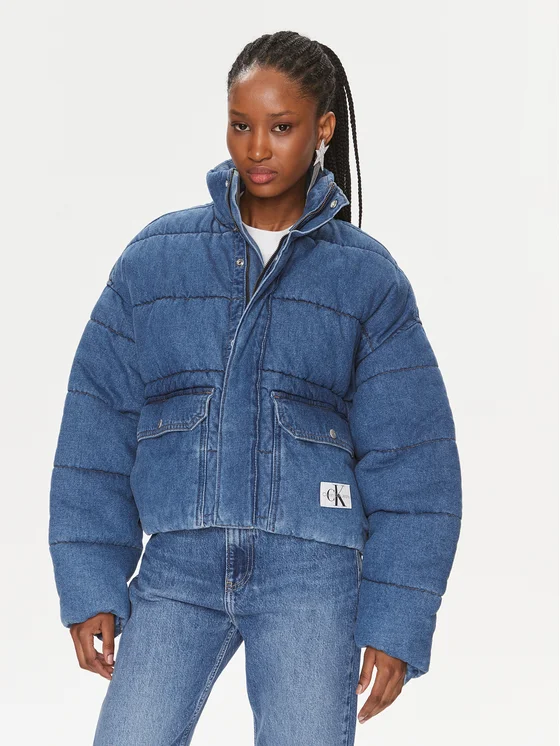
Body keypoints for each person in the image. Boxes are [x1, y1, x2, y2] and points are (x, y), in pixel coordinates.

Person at [49, 30, 462, 746]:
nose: (257, 148)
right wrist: (90, 581)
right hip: (178, 567)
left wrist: (397, 621)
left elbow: (414, 463)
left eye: (281, 127)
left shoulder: (366, 278)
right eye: (241, 125)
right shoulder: (156, 260)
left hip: (313, 573)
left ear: (323, 129)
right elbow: (96, 426)